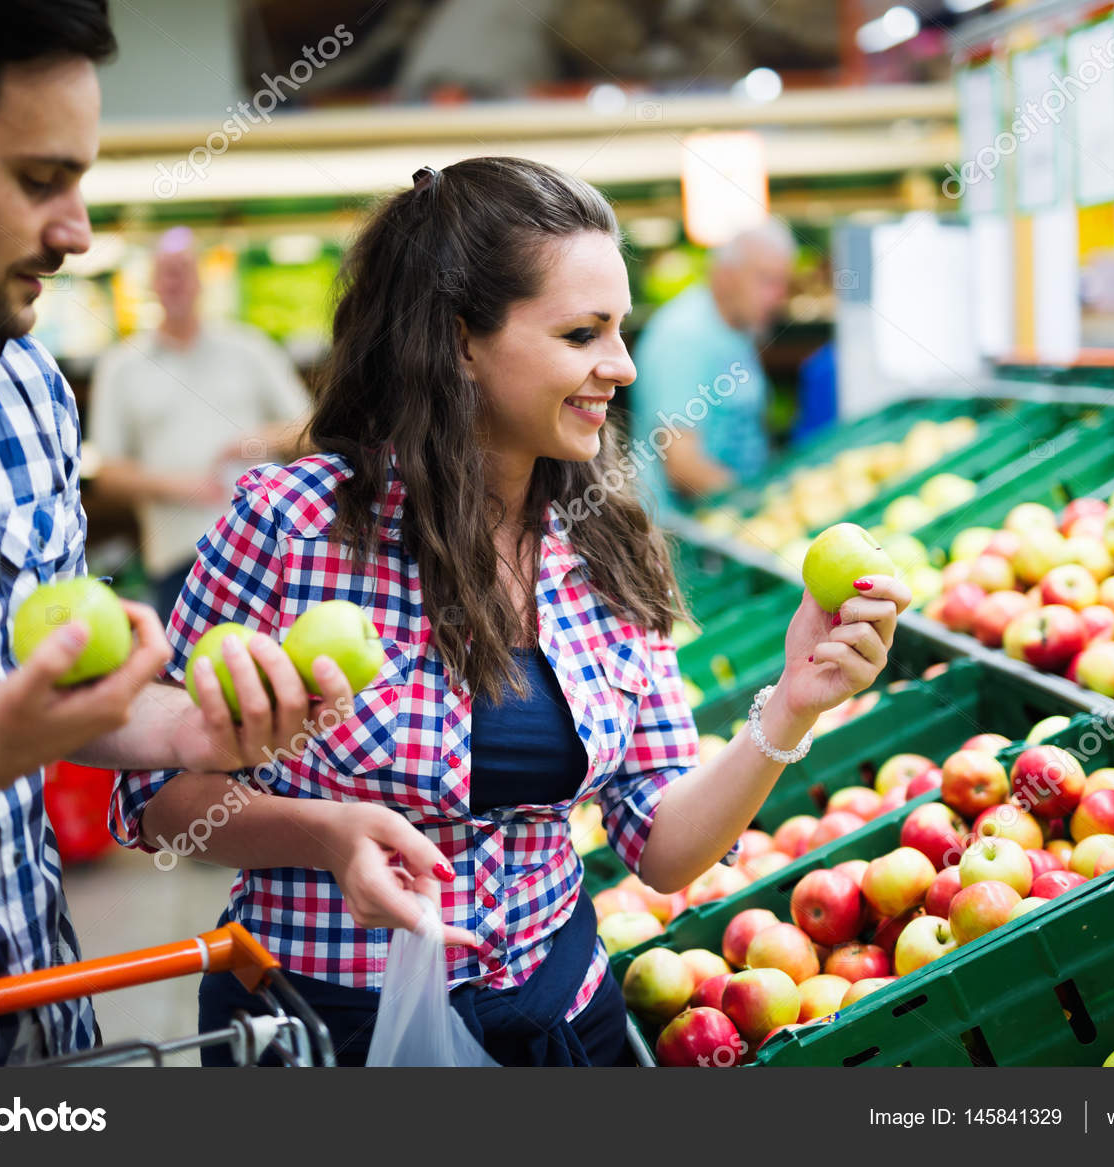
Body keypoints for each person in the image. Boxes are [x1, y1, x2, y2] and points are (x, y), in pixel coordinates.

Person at [112, 158, 908, 1066]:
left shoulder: (605, 535)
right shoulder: (291, 525)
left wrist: (793, 704)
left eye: (620, 327)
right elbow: (154, 797)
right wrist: (322, 835)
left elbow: (660, 844)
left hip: (562, 1019)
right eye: (582, 332)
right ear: (459, 342)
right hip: (329, 1021)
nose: (622, 364)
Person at [0, 0, 382, 1068]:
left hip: (54, 1043)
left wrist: (184, 728)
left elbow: (47, 703)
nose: (78, 230)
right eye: (40, 179)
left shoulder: (25, 396)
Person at [88, 228, 312, 620]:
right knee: (183, 679)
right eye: (166, 272)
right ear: (152, 283)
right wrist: (180, 485)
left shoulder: (251, 348)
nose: (175, 281)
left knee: (272, 674)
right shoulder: (120, 366)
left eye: (184, 270)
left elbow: (312, 429)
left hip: (263, 555)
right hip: (176, 563)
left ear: (201, 280)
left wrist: (259, 438)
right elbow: (106, 473)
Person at [628, 219, 794, 516]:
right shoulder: (683, 338)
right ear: (726, 277)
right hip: (684, 539)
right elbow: (682, 466)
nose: (779, 296)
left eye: (783, 282)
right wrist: (763, 507)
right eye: (767, 280)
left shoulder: (738, 329)